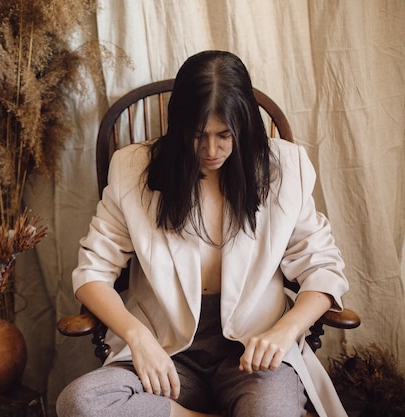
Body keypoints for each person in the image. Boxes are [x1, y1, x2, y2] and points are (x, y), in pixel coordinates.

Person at [56, 50, 349, 417]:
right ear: (178, 125)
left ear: (244, 124)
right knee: (79, 402)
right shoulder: (132, 169)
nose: (211, 150)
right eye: (198, 136)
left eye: (225, 135)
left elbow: (322, 269)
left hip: (252, 355)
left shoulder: (285, 168)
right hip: (166, 351)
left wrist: (285, 331)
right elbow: (92, 273)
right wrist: (137, 336)